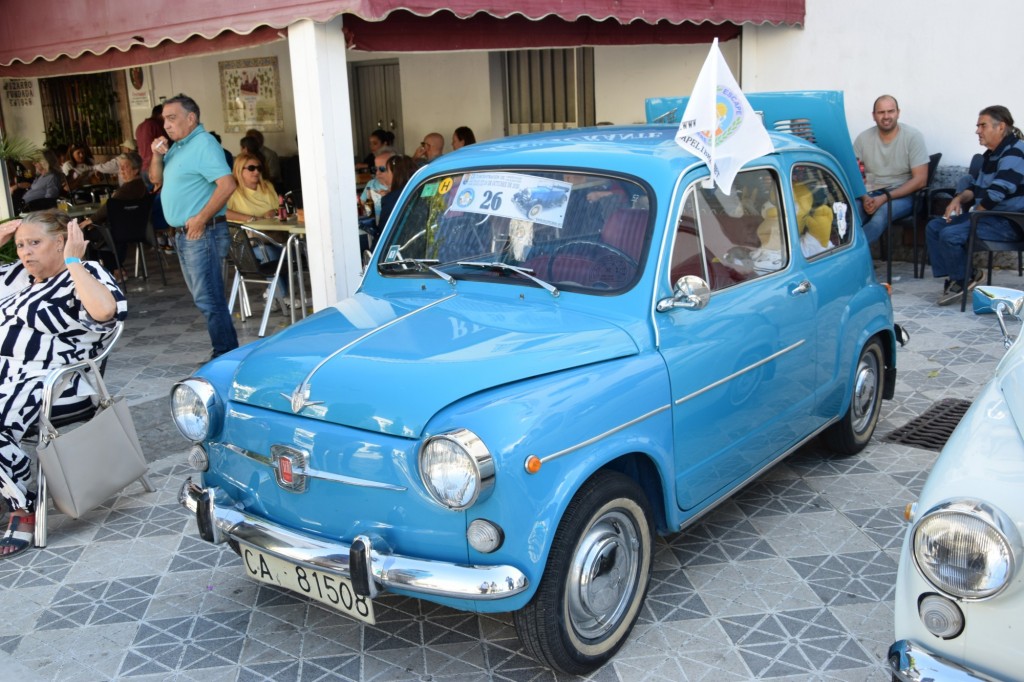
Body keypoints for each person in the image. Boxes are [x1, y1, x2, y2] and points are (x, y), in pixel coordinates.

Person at [0, 211, 127, 557]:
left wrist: (74, 261)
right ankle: (9, 477)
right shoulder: (17, 277)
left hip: (55, 383)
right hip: (7, 378)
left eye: (35, 243)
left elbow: (105, 312)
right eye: (20, 245)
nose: (25, 252)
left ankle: (23, 507)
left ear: (60, 242)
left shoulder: (84, 275)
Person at [150, 93, 239, 358]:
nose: (166, 124)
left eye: (172, 118)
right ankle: (224, 353)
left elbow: (228, 185)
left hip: (203, 232)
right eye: (164, 119)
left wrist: (200, 219)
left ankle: (224, 355)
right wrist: (156, 155)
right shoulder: (177, 146)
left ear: (191, 118)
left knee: (210, 298)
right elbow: (156, 180)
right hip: (185, 234)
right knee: (205, 299)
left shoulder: (203, 144)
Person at [926, 105, 1024, 306]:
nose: (977, 130)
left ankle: (962, 279)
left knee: (950, 234)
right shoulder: (992, 154)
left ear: (1000, 127)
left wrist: (971, 215)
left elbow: (996, 194)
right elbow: (976, 189)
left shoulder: (1016, 151)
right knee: (934, 227)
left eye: (982, 125)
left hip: (1009, 221)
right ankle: (961, 275)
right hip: (988, 217)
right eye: (977, 126)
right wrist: (958, 199)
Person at [853, 95, 928, 243]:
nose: (886, 116)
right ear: (873, 115)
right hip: (869, 193)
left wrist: (883, 199)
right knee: (849, 214)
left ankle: (852, 257)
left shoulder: (913, 137)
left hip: (903, 195)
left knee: (881, 215)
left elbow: (920, 180)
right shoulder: (863, 138)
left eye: (890, 111)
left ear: (898, 113)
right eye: (881, 112)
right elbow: (855, 174)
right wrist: (865, 197)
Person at [78, 152, 148, 275]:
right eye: (120, 166)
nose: (121, 170)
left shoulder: (129, 188)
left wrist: (91, 220)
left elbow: (109, 207)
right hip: (133, 229)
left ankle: (101, 272)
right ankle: (115, 268)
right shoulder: (140, 185)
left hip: (122, 231)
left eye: (125, 166)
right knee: (98, 233)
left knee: (87, 235)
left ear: (136, 170)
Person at [378, 154, 417, 228]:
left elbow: (384, 230)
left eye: (387, 171)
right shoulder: (419, 189)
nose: (385, 175)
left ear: (395, 174)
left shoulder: (390, 199)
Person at [359, 147, 396, 222]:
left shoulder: (401, 185)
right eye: (375, 169)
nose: (377, 173)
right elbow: (362, 203)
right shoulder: (371, 184)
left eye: (382, 169)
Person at [136, 105, 165, 188]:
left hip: (143, 169)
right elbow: (164, 145)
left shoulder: (140, 126)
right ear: (160, 115)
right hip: (155, 168)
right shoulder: (155, 125)